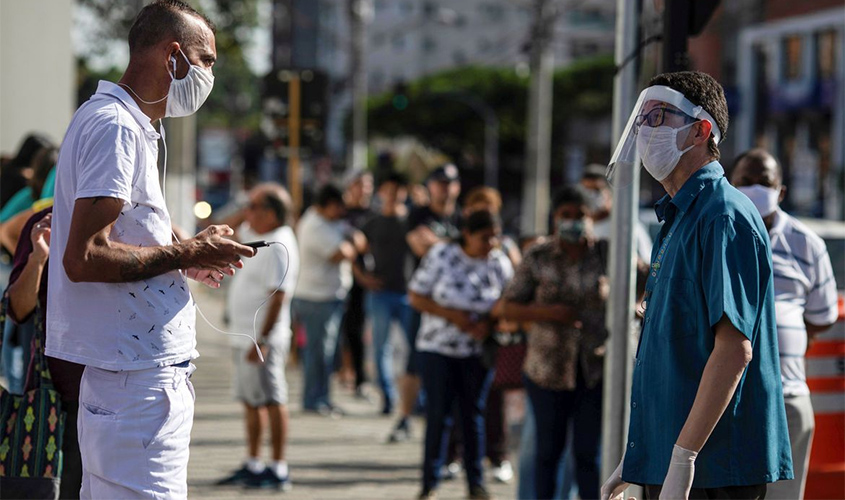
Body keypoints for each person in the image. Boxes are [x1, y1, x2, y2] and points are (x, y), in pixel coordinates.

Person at [45, 2, 256, 497]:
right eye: (207, 60)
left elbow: (130, 228)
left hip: (130, 379)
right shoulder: (116, 126)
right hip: (136, 384)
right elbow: (85, 256)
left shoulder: (128, 124)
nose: (210, 74)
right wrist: (186, 254)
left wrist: (190, 251)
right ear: (174, 56)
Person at [601, 71, 792, 500]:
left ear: (701, 130)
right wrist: (640, 457)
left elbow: (733, 350)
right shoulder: (678, 216)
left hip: (713, 468)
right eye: (642, 117)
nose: (644, 129)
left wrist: (682, 458)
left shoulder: (723, 215)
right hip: (672, 461)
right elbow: (673, 352)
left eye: (659, 116)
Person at [729, 149, 839, 500]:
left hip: (787, 396)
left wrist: (778, 345)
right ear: (731, 184)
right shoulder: (718, 232)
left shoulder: (807, 244)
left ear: (782, 191)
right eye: (746, 181)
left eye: (765, 182)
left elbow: (821, 316)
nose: (755, 188)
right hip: (725, 397)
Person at [496, 186, 613, 500]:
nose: (574, 222)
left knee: (589, 456)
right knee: (547, 453)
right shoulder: (538, 255)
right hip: (546, 370)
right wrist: (548, 312)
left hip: (593, 370)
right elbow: (506, 306)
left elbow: (646, 283)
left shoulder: (607, 253)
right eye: (566, 216)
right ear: (554, 219)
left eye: (580, 216)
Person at [409, 209, 514, 500]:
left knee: (472, 416)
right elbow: (416, 296)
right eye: (485, 237)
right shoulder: (442, 255)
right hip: (437, 349)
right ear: (467, 234)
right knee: (438, 415)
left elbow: (509, 302)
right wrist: (454, 317)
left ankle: (475, 484)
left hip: (476, 352)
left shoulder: (499, 263)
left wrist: (488, 323)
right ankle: (429, 483)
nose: (491, 242)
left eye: (496, 236)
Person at [218, 183, 299, 490]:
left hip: (262, 340)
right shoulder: (263, 237)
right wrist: (245, 212)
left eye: (253, 207)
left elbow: (279, 296)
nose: (246, 212)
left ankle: (278, 468)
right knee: (251, 401)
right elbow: (229, 236)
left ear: (270, 212)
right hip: (245, 337)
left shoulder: (280, 243)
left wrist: (262, 340)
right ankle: (254, 463)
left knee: (273, 399)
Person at [5, 208, 86, 499]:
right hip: (55, 397)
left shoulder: (139, 220)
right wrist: (38, 257)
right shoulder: (47, 222)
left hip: (124, 394)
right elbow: (18, 310)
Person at [388, 163, 462, 443]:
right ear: (430, 185)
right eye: (440, 182)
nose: (446, 188)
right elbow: (420, 245)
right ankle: (405, 417)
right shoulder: (418, 214)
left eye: (451, 182)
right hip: (423, 300)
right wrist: (457, 245)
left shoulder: (462, 215)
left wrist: (440, 243)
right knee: (414, 361)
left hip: (456, 302)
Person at [292, 184, 357, 416]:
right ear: (327, 205)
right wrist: (352, 246)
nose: (341, 212)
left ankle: (323, 398)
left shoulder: (327, 221)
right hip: (316, 299)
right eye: (338, 207)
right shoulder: (315, 225)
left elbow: (351, 242)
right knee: (318, 353)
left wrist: (351, 244)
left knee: (326, 353)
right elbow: (339, 253)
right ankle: (313, 400)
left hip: (329, 297)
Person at [356, 171, 412, 415]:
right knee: (381, 349)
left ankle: (413, 400)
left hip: (409, 294)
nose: (392, 195)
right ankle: (389, 397)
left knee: (414, 349)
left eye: (397, 190)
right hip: (380, 294)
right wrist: (363, 278)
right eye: (388, 190)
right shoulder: (373, 223)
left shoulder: (412, 221)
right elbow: (355, 252)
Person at [339, 169, 373, 397]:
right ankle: (344, 371)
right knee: (345, 329)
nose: (364, 189)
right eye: (359, 184)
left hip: (367, 282)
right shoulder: (341, 214)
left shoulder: (374, 213)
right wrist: (357, 273)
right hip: (345, 279)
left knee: (359, 330)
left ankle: (359, 377)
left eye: (367, 184)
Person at [580, 163, 652, 262]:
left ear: (609, 193)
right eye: (586, 191)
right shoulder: (581, 229)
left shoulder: (628, 228)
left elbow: (648, 265)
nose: (591, 196)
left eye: (596, 191)